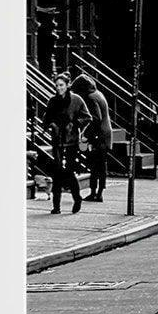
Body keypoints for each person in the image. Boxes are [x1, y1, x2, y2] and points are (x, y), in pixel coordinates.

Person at [41, 74, 88, 216]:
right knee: (57, 172)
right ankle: (56, 206)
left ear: (67, 85)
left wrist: (74, 124)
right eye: (56, 85)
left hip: (71, 142)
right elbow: (46, 118)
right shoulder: (53, 101)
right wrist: (51, 124)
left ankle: (77, 198)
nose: (59, 88)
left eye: (61, 85)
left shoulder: (76, 100)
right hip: (57, 141)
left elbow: (87, 117)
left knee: (68, 171)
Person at [74, 73, 112, 202]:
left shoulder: (90, 97)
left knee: (95, 166)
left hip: (99, 135)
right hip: (105, 133)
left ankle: (95, 192)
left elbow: (95, 118)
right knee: (101, 165)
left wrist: (86, 134)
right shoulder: (98, 94)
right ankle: (98, 192)